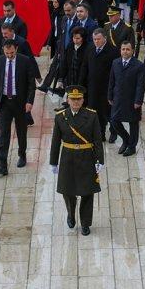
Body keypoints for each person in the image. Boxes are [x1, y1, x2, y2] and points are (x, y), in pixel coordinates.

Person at [49, 85, 104, 236]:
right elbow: (55, 141)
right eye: (73, 99)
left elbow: (97, 140)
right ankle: (71, 214)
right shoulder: (61, 116)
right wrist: (53, 161)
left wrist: (100, 160)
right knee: (68, 191)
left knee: (87, 193)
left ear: (83, 100)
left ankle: (85, 223)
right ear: (68, 99)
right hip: (68, 157)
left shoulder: (92, 116)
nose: (75, 102)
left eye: (78, 99)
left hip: (86, 157)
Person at [0, 39, 36, 175]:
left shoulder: (25, 61)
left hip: (20, 102)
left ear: (16, 49)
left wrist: (29, 101)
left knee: (21, 131)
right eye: (7, 53)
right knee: (4, 134)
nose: (9, 55)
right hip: (4, 102)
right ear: (3, 50)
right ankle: (2, 165)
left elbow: (31, 84)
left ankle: (22, 154)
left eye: (11, 53)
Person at [107, 41, 145, 157]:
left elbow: (141, 85)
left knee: (133, 123)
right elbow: (111, 81)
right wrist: (110, 96)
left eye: (127, 49)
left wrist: (138, 101)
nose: (125, 51)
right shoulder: (115, 62)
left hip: (132, 99)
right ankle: (126, 139)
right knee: (114, 120)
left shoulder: (139, 65)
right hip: (118, 98)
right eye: (123, 49)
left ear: (132, 51)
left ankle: (132, 146)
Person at [80, 28, 120, 142]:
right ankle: (100, 134)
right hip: (93, 87)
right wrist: (81, 84)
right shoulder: (90, 48)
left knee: (108, 112)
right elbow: (85, 67)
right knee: (94, 112)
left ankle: (113, 132)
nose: (96, 42)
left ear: (105, 39)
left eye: (98, 39)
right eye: (94, 39)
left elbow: (116, 72)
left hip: (107, 88)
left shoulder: (113, 51)